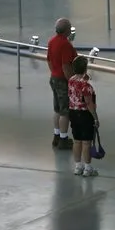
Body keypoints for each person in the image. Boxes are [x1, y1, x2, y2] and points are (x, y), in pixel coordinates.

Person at [47, 18, 77, 150]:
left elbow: (48, 60)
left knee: (57, 109)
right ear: (66, 30)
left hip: (54, 78)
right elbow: (66, 66)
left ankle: (57, 136)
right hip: (63, 81)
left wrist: (54, 72)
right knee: (65, 112)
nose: (71, 29)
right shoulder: (65, 45)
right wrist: (72, 82)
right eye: (70, 27)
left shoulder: (52, 41)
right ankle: (64, 140)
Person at [68, 56, 100, 177]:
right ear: (85, 69)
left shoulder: (71, 80)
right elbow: (89, 103)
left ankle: (78, 166)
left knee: (77, 140)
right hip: (85, 115)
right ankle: (87, 168)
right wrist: (95, 117)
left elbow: (76, 89)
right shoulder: (87, 86)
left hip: (73, 112)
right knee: (87, 143)